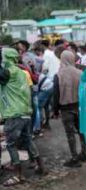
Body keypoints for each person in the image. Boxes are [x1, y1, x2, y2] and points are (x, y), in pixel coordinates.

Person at [0, 48, 45, 186]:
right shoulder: (21, 72)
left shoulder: (10, 72)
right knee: (28, 140)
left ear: (6, 58)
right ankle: (41, 167)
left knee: (11, 144)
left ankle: (18, 175)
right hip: (25, 113)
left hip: (15, 114)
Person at [53, 50, 86, 167]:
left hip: (66, 108)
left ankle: (74, 158)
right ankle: (84, 153)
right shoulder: (81, 73)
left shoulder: (58, 75)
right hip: (80, 107)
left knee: (70, 134)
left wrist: (55, 110)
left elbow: (56, 94)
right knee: (81, 131)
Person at [41, 39, 60, 129]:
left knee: (47, 101)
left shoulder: (46, 54)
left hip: (50, 78)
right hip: (57, 76)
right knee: (53, 97)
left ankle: (53, 114)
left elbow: (44, 68)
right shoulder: (52, 53)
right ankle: (55, 112)